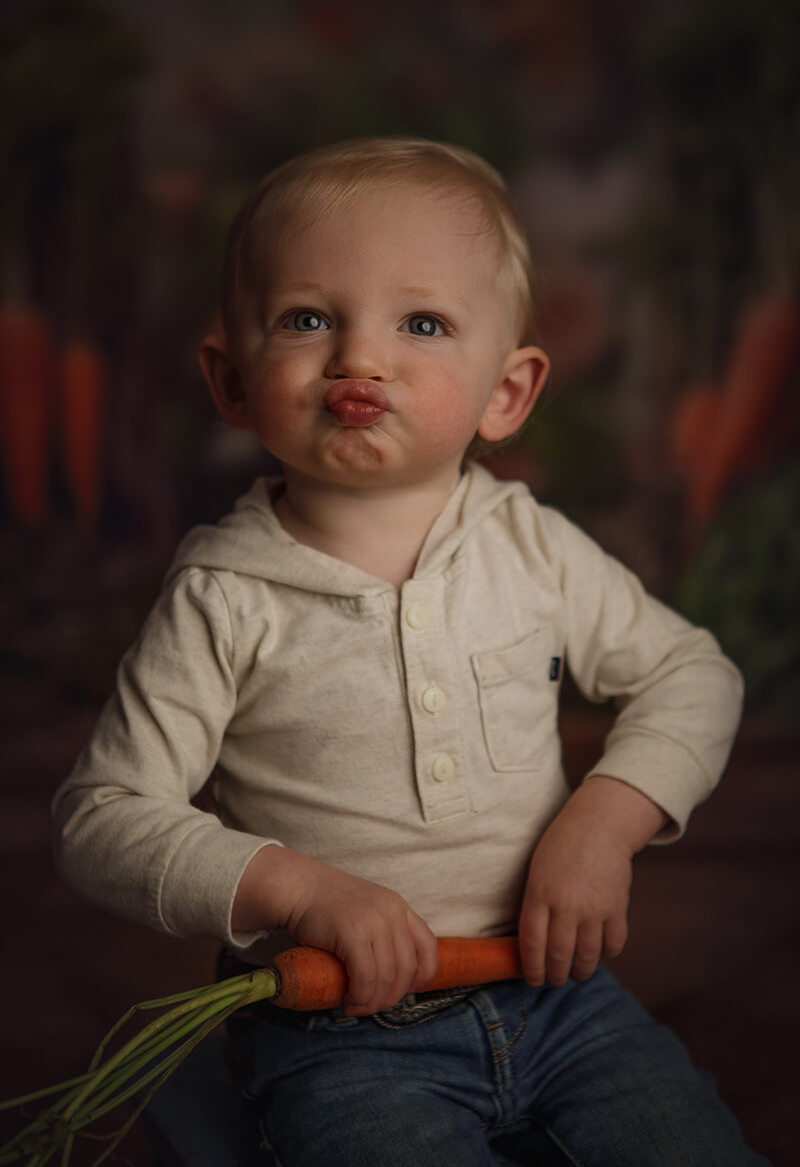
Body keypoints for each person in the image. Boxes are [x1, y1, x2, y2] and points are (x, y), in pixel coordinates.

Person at [52, 137, 768, 1166]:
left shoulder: (529, 547)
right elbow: (100, 819)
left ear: (505, 393)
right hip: (337, 1037)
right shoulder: (223, 596)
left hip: (563, 1003)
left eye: (421, 323)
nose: (358, 359)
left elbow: (689, 671)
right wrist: (303, 892)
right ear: (231, 381)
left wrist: (604, 823)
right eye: (307, 319)